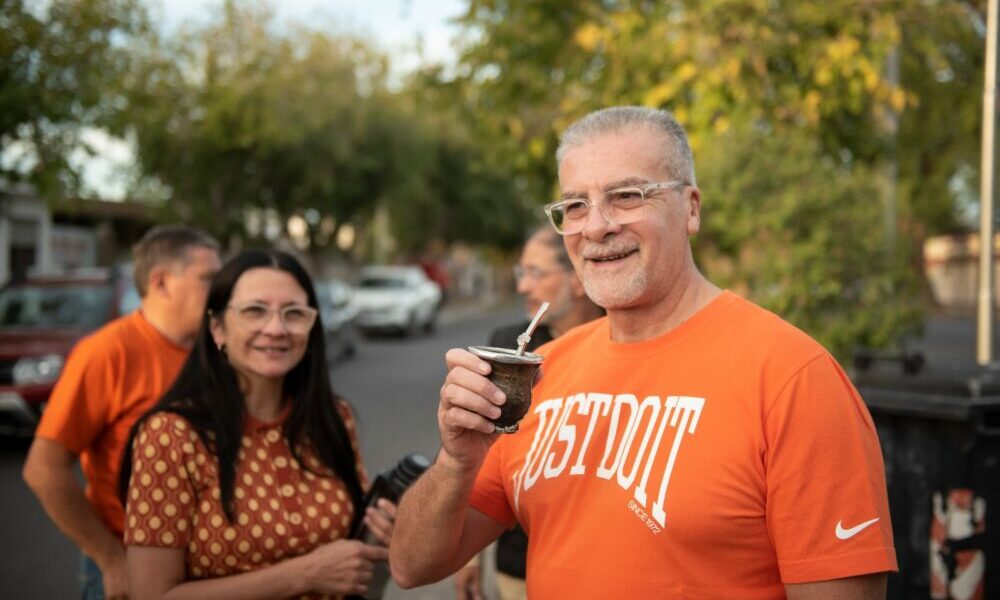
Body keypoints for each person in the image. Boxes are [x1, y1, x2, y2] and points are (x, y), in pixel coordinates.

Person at [390, 106, 897, 598]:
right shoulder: (544, 375)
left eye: (627, 196)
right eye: (576, 205)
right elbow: (413, 566)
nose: (595, 226)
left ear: (691, 208)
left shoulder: (794, 380)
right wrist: (456, 462)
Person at [118, 249, 395, 599]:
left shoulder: (332, 417)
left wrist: (382, 534)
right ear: (217, 328)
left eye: (294, 313)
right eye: (254, 311)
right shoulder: (170, 436)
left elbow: (356, 558)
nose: (276, 328)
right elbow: (151, 595)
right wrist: (305, 575)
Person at [23, 225, 221, 600]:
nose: (222, 292)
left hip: (209, 569)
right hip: (132, 566)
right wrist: (110, 558)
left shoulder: (216, 351)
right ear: (161, 282)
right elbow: (42, 469)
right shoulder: (107, 352)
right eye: (208, 279)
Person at [453, 226, 602, 600]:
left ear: (578, 279)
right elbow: (482, 452)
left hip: (599, 559)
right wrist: (468, 559)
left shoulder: (616, 341)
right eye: (522, 273)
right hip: (518, 558)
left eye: (536, 273)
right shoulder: (507, 346)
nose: (523, 287)